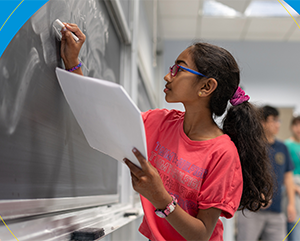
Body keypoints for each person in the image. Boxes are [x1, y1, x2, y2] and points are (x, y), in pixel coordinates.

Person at [60, 23, 274, 241]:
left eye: (179, 69)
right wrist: (72, 63)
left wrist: (160, 197)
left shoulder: (223, 153)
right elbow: (100, 122)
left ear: (206, 87)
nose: (167, 76)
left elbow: (201, 235)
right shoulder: (160, 121)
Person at [237, 105, 296, 241]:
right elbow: (242, 175)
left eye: (278, 120)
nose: (278, 124)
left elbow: (288, 177)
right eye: (273, 120)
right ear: (262, 122)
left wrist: (291, 204)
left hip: (276, 211)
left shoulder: (282, 148)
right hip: (251, 210)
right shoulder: (251, 147)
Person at [284, 116, 300, 241]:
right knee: (294, 227)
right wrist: (295, 187)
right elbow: (283, 172)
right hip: (292, 187)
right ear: (292, 127)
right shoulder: (286, 145)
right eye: (296, 125)